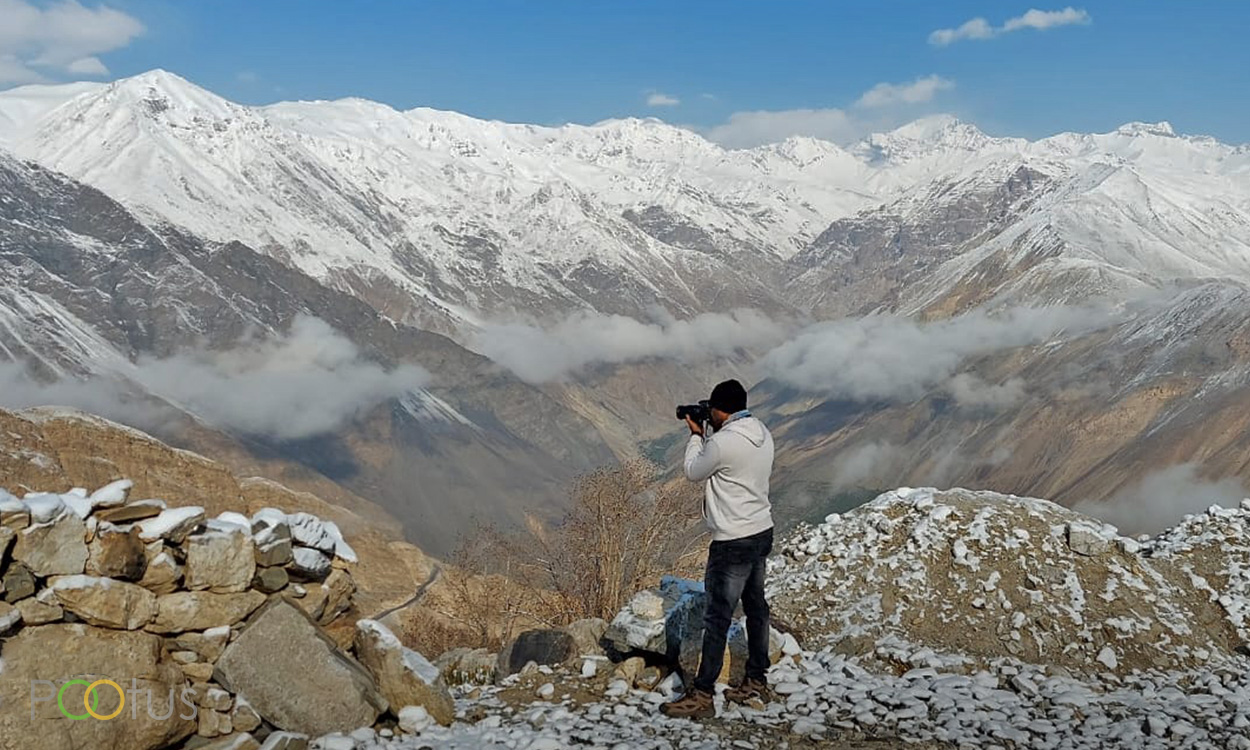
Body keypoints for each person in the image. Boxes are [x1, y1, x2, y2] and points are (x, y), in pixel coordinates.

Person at [661, 378, 775, 719]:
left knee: (717, 615)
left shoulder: (723, 443)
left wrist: (697, 434)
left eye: (712, 409)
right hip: (761, 530)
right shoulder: (762, 431)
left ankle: (703, 693)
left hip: (732, 539)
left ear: (719, 410)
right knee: (756, 607)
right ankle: (756, 677)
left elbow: (693, 471)